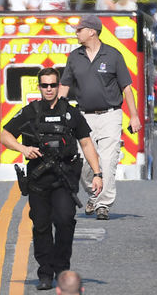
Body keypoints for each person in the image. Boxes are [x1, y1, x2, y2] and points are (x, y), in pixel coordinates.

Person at [0, 68, 104, 290]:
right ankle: (45, 273)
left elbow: (86, 143)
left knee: (65, 220)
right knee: (41, 225)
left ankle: (62, 268)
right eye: (45, 85)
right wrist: (23, 148)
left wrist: (97, 174)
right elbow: (5, 135)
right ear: (39, 87)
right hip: (38, 180)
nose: (49, 89)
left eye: (53, 85)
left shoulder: (70, 113)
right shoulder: (31, 112)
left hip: (64, 177)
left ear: (59, 86)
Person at [58, 15, 142, 220]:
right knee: (84, 162)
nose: (76, 33)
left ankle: (103, 204)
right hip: (83, 116)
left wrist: (134, 116)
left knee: (108, 159)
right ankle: (93, 195)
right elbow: (64, 85)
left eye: (80, 30)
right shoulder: (74, 57)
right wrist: (57, 112)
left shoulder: (113, 55)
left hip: (110, 115)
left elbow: (127, 88)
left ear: (92, 32)